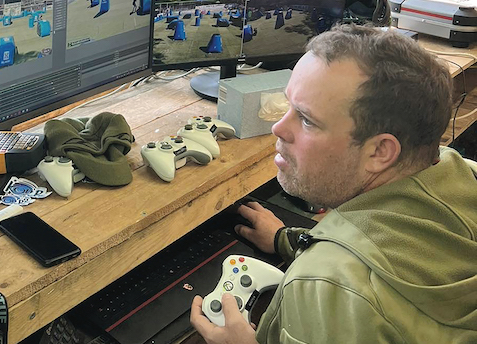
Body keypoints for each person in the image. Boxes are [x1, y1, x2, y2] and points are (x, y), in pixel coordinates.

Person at [189, 24, 477, 343]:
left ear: (381, 151)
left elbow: (346, 281)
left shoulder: (324, 282)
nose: (278, 128)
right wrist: (289, 240)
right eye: (289, 107)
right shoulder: (463, 172)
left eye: (307, 119)